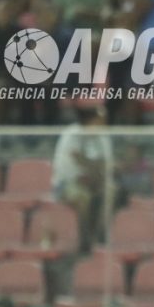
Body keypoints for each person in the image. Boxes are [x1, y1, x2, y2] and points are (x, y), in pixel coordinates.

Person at [52, 105, 115, 252]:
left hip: (96, 181)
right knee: (82, 196)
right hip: (67, 184)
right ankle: (83, 241)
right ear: (89, 120)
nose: (103, 124)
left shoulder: (103, 137)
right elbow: (70, 163)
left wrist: (92, 169)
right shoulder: (72, 134)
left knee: (111, 191)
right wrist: (91, 167)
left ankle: (99, 237)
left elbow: (106, 164)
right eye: (99, 121)